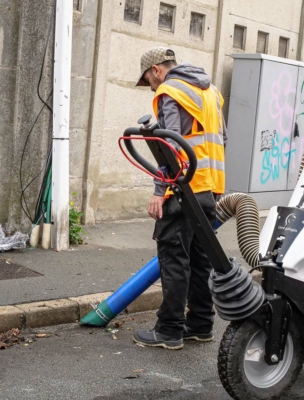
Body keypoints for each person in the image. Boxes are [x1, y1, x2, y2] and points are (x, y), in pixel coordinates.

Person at [132, 47, 227, 350]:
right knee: (200, 260)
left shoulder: (170, 90)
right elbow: (221, 139)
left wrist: (160, 192)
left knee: (174, 258)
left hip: (183, 190)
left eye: (148, 79)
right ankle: (201, 324)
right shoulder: (210, 91)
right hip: (209, 188)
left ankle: (170, 330)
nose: (150, 86)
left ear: (157, 70)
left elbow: (170, 143)